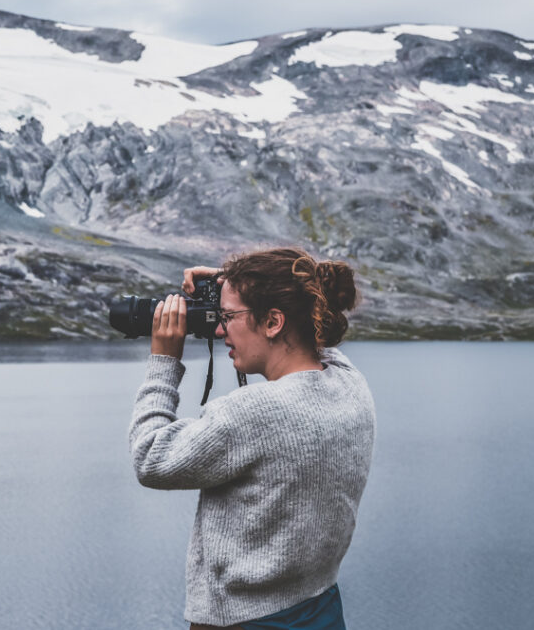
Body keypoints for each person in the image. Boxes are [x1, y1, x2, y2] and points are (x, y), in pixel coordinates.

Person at [128, 247, 376, 630]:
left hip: (243, 622)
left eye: (227, 317)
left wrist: (164, 361)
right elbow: (307, 318)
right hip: (319, 610)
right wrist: (235, 283)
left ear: (274, 321)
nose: (218, 329)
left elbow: (151, 459)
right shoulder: (350, 383)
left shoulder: (253, 413)